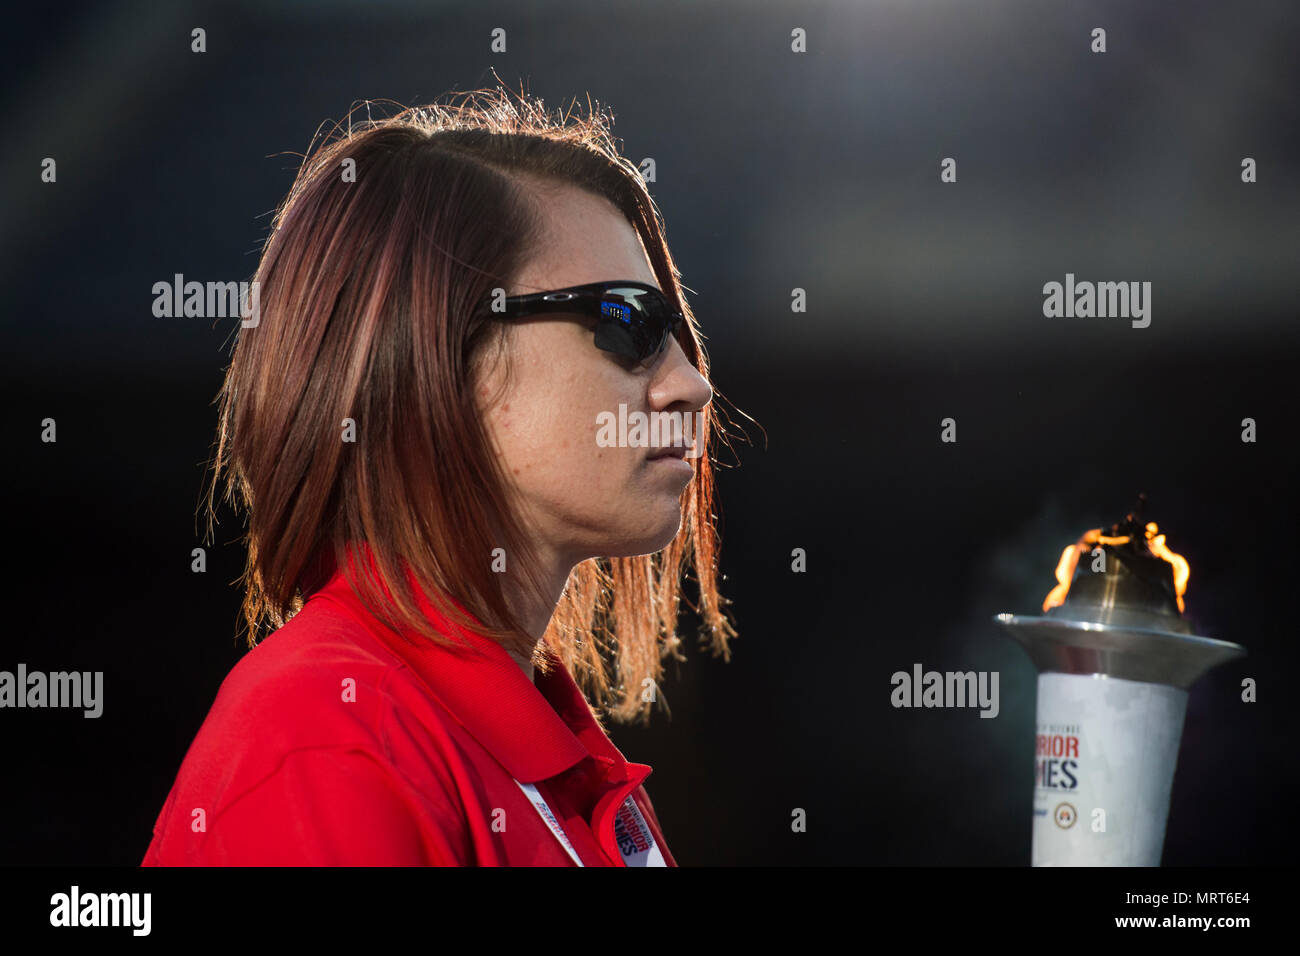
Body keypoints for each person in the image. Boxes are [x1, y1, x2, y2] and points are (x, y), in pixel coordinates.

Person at [140, 87, 738, 866]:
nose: (692, 385)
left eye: (679, 334)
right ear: (434, 351)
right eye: (628, 321)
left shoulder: (565, 772)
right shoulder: (330, 738)